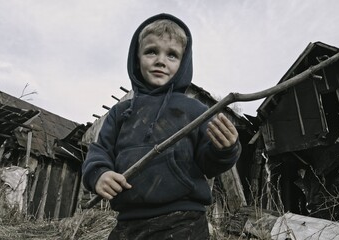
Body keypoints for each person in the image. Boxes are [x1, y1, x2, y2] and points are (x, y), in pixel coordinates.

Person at [82, 13, 241, 239]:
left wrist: (225, 149)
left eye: (172, 55)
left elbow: (209, 163)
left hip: (184, 220)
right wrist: (100, 173)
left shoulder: (194, 110)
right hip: (128, 223)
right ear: (136, 59)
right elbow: (100, 151)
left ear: (183, 63)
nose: (160, 60)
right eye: (151, 51)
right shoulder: (121, 112)